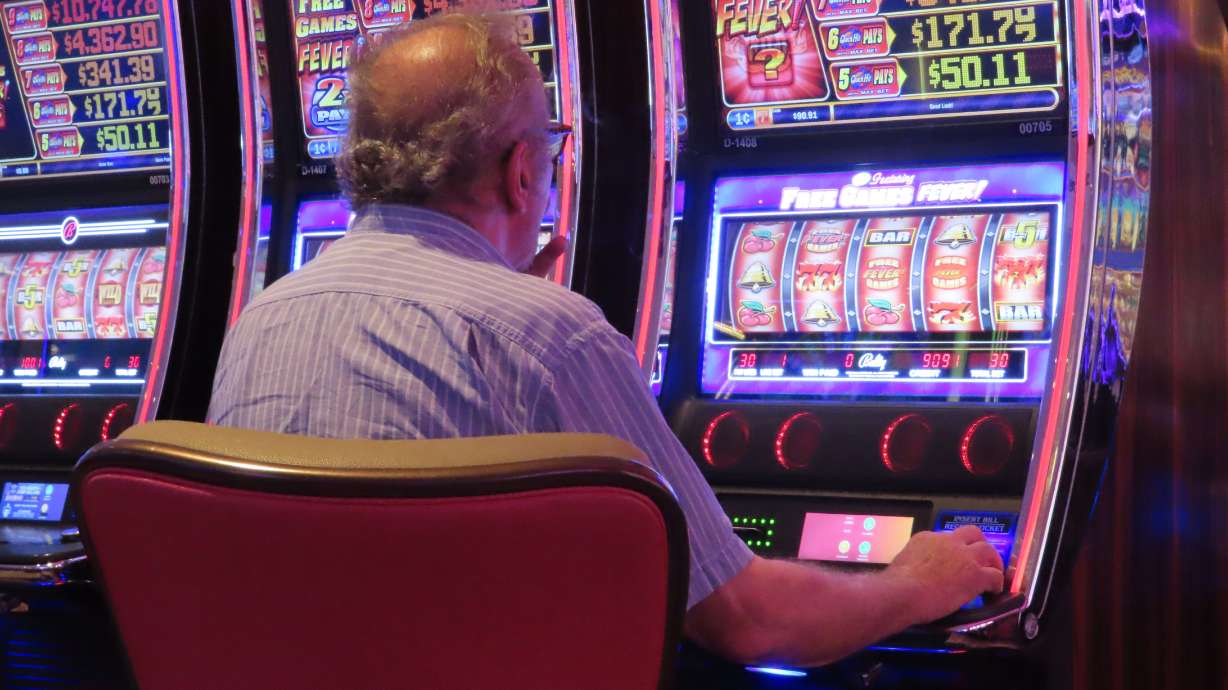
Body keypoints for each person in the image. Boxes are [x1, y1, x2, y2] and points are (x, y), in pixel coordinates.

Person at [208, 12, 1004, 667]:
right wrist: (913, 583)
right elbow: (756, 627)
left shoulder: (259, 322)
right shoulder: (542, 335)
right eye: (549, 159)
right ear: (522, 171)